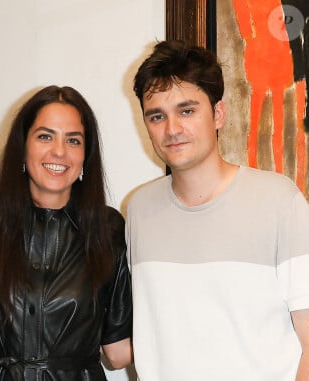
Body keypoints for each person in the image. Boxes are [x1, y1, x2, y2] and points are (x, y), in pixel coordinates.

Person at [128, 40, 309, 380]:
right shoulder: (139, 210)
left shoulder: (279, 200)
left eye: (187, 110)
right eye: (157, 116)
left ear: (218, 114)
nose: (172, 129)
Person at [0, 85, 133, 380]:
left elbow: (118, 352)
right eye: (45, 136)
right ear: (22, 145)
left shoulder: (108, 228)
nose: (59, 151)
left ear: (86, 154)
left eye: (73, 140)